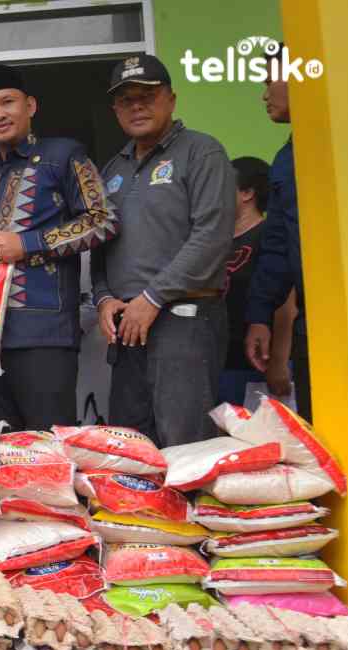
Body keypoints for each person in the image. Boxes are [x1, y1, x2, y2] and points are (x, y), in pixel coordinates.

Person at [0, 64, 118, 432]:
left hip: (44, 333)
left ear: (30, 106)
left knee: (45, 448)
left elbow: (103, 220)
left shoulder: (64, 156)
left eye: (8, 102)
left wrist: (28, 244)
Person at [93, 54, 236, 446]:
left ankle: (188, 509)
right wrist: (104, 297)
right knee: (131, 444)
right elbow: (99, 242)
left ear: (171, 99)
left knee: (183, 441)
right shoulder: (112, 170)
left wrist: (153, 297)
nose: (137, 106)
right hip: (128, 326)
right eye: (126, 100)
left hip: (184, 319)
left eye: (148, 96)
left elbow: (212, 237)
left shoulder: (201, 152)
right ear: (115, 110)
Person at [245, 46, 311, 420]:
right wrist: (259, 316)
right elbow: (277, 248)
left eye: (271, 81)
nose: (265, 93)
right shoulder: (286, 158)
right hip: (312, 324)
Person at [221, 156, 296, 405]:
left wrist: (278, 361)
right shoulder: (216, 241)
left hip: (259, 363)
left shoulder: (268, 237)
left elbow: (286, 305)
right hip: (224, 361)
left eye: (223, 185)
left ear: (246, 193)